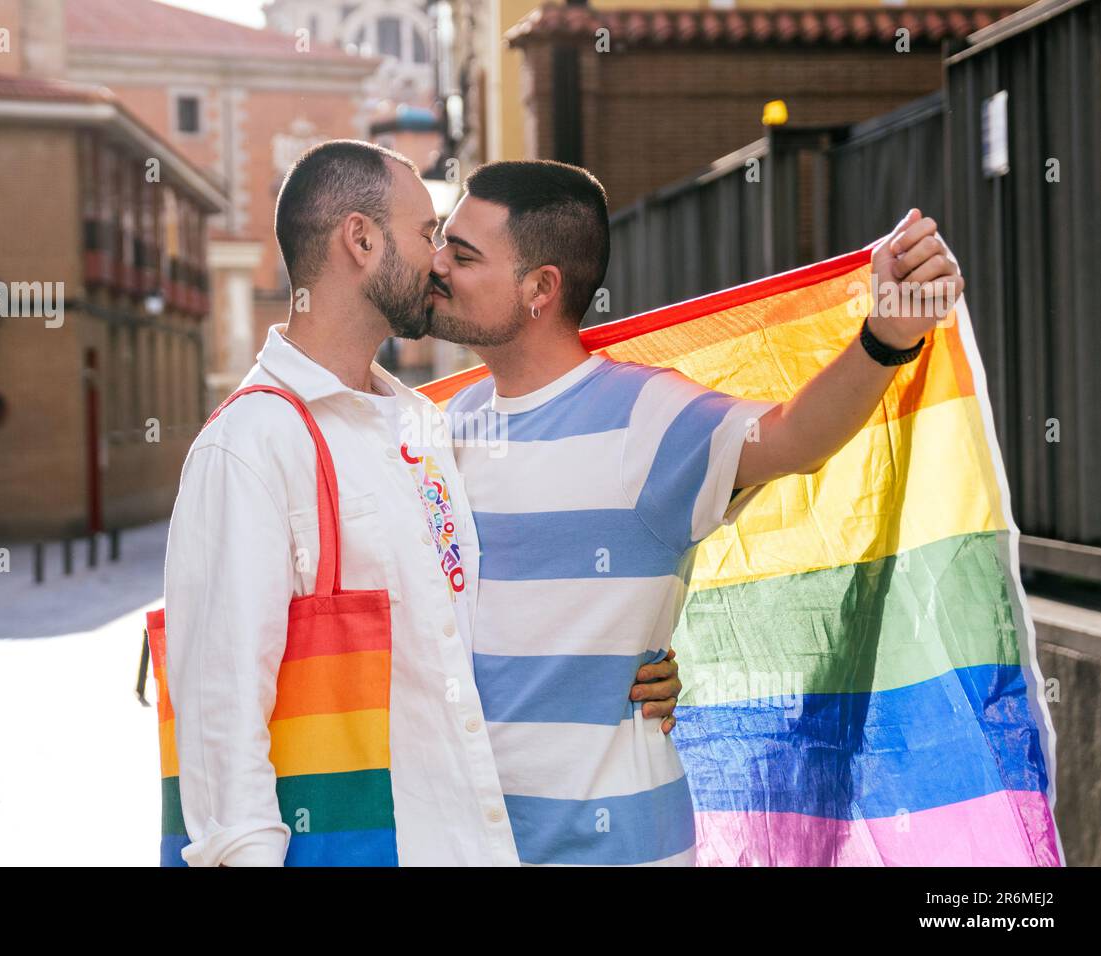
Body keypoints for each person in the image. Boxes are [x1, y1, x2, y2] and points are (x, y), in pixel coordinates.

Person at [426, 160, 963, 865]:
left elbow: (794, 440)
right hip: (472, 847)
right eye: (439, 242)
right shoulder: (445, 428)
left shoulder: (646, 416)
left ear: (540, 289)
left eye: (461, 254)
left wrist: (885, 336)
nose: (435, 265)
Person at [162, 141, 680, 866]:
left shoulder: (421, 426)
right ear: (361, 240)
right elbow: (220, 715)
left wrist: (620, 662)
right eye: (427, 233)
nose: (439, 259)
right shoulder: (249, 444)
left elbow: (465, 629)